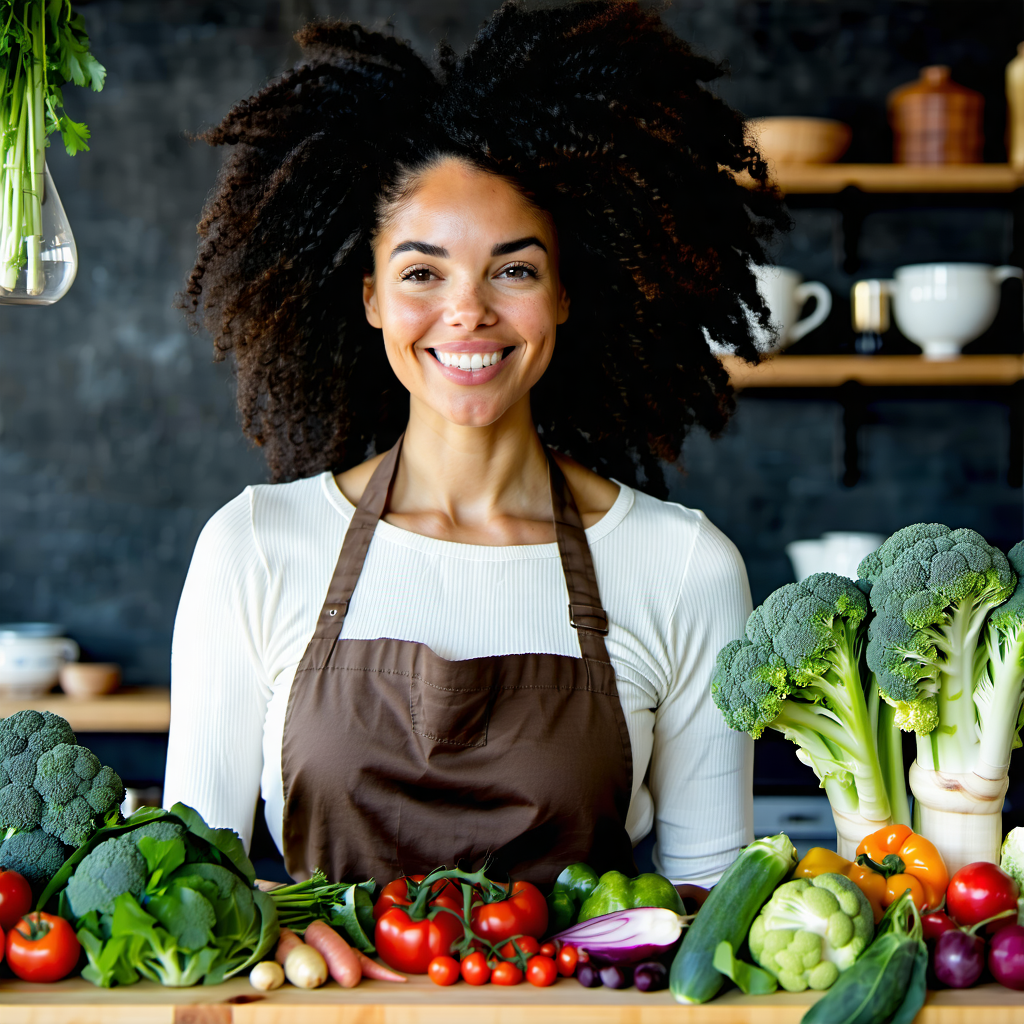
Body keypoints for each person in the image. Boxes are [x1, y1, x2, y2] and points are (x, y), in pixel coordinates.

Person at [165, 0, 786, 892]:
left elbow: (709, 916)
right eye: (423, 272)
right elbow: (193, 887)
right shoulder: (255, 549)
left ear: (566, 295)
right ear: (371, 296)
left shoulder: (681, 567)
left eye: (515, 269)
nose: (468, 311)